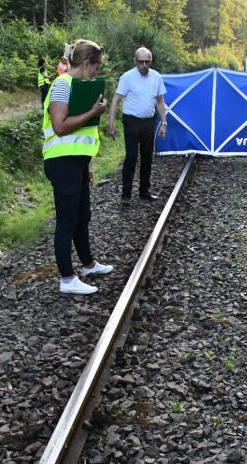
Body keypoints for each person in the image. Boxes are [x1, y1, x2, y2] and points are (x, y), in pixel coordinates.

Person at [42, 39, 113, 295]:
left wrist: (87, 165)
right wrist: (94, 112)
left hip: (77, 162)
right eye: (96, 67)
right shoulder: (62, 85)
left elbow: (79, 132)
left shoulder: (76, 86)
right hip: (62, 162)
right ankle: (67, 279)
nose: (97, 72)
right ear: (85, 64)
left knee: (83, 216)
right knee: (67, 221)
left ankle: (88, 264)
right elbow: (60, 126)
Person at [107, 47, 168, 206]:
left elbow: (160, 101)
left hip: (149, 122)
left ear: (151, 62)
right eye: (141, 62)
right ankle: (126, 194)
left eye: (147, 62)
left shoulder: (156, 77)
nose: (144, 65)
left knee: (147, 157)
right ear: (135, 61)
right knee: (131, 157)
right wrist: (111, 124)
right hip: (131, 122)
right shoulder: (127, 77)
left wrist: (164, 122)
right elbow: (115, 100)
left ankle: (144, 191)